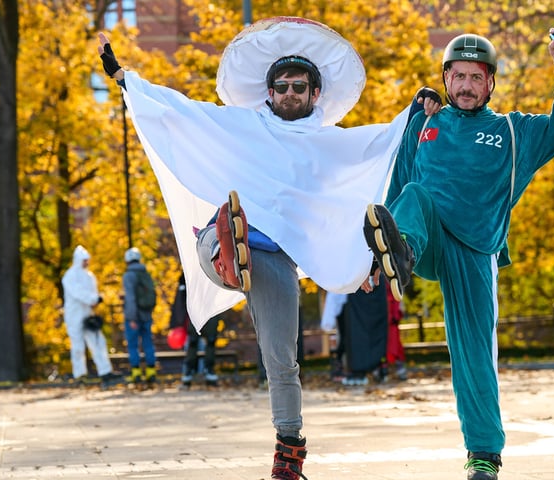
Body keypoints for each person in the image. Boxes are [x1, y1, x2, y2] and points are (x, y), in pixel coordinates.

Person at [97, 17, 441, 480]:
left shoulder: (327, 144)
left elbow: (378, 145)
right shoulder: (243, 126)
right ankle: (228, 250)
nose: (289, 93)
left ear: (315, 93)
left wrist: (415, 110)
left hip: (275, 257)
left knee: (282, 358)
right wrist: (127, 80)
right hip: (234, 240)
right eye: (280, 86)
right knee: (215, 235)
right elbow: (182, 112)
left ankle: (289, 454)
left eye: (299, 86)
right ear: (269, 91)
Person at [361, 26, 554, 479]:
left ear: (490, 83)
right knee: (415, 195)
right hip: (422, 237)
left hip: (475, 250)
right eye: (457, 76)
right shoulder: (425, 122)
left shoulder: (511, 131)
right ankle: (396, 254)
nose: (465, 85)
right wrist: (371, 258)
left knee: (474, 353)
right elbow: (398, 187)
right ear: (446, 79)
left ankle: (483, 453)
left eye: (475, 77)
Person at [61, 245, 120, 387]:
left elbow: (92, 293)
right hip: (74, 315)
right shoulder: (70, 276)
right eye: (84, 260)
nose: (86, 263)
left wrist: (95, 301)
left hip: (88, 314)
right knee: (78, 346)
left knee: (98, 342)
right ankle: (80, 375)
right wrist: (93, 299)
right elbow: (78, 293)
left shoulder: (90, 276)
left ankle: (105, 372)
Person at [122, 247, 158, 384]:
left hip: (134, 317)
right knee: (148, 343)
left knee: (133, 345)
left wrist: (131, 318)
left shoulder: (128, 275)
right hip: (147, 315)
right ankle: (151, 372)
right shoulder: (145, 273)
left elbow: (131, 298)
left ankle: (136, 373)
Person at [385, 278, 408, 381]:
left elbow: (399, 298)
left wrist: (396, 314)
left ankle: (399, 369)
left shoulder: (395, 281)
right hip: (383, 319)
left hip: (392, 320)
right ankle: (386, 369)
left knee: (395, 345)